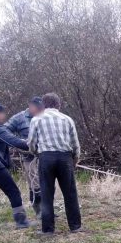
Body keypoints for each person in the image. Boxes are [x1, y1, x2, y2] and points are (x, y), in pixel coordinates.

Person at [28, 93, 82, 234]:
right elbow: (75, 144)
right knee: (70, 193)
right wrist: (74, 160)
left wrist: (37, 154)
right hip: (65, 158)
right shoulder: (67, 119)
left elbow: (31, 143)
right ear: (59, 105)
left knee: (47, 194)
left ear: (43, 105)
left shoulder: (36, 119)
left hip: (46, 158)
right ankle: (75, 226)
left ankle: (48, 230)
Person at [4, 97, 45, 215]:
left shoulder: (45, 116)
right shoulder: (19, 118)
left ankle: (47, 208)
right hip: (29, 156)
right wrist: (18, 142)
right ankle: (39, 209)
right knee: (34, 182)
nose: (39, 110)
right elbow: (4, 130)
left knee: (47, 182)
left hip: (45, 155)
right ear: (30, 106)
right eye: (37, 108)